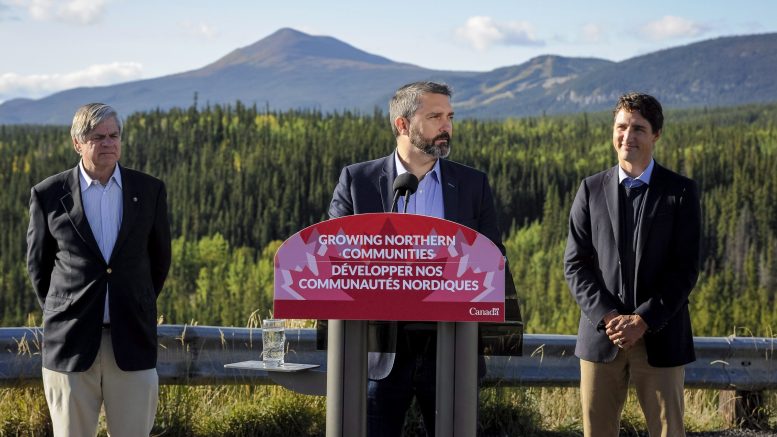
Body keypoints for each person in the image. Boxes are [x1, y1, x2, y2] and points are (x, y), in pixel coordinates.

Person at [328, 81, 520, 436]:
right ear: (403, 125)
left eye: (449, 116)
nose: (447, 125)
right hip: (379, 353)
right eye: (435, 116)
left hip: (451, 349)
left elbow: (492, 259)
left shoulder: (472, 184)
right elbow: (333, 259)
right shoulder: (358, 181)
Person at [26, 103, 172, 437]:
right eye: (98, 137)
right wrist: (65, 311)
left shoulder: (149, 191)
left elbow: (159, 260)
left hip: (132, 339)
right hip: (71, 343)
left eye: (114, 135)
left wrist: (135, 301)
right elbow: (39, 267)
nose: (108, 143)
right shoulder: (49, 195)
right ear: (77, 142)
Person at [564, 92, 701, 437]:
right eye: (621, 127)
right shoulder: (590, 189)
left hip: (660, 335)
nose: (628, 136)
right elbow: (575, 265)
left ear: (656, 134)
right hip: (601, 336)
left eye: (638, 128)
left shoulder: (681, 193)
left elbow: (685, 270)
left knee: (669, 431)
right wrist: (610, 317)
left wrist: (643, 320)